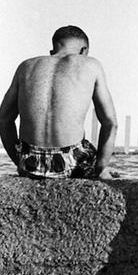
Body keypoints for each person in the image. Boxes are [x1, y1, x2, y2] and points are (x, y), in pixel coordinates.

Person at [0, 26, 117, 179]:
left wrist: (19, 161)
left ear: (53, 50)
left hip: (30, 161)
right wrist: (101, 168)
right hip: (71, 162)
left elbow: (3, 119)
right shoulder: (90, 64)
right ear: (84, 51)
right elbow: (110, 123)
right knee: (103, 164)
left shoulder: (26, 66)